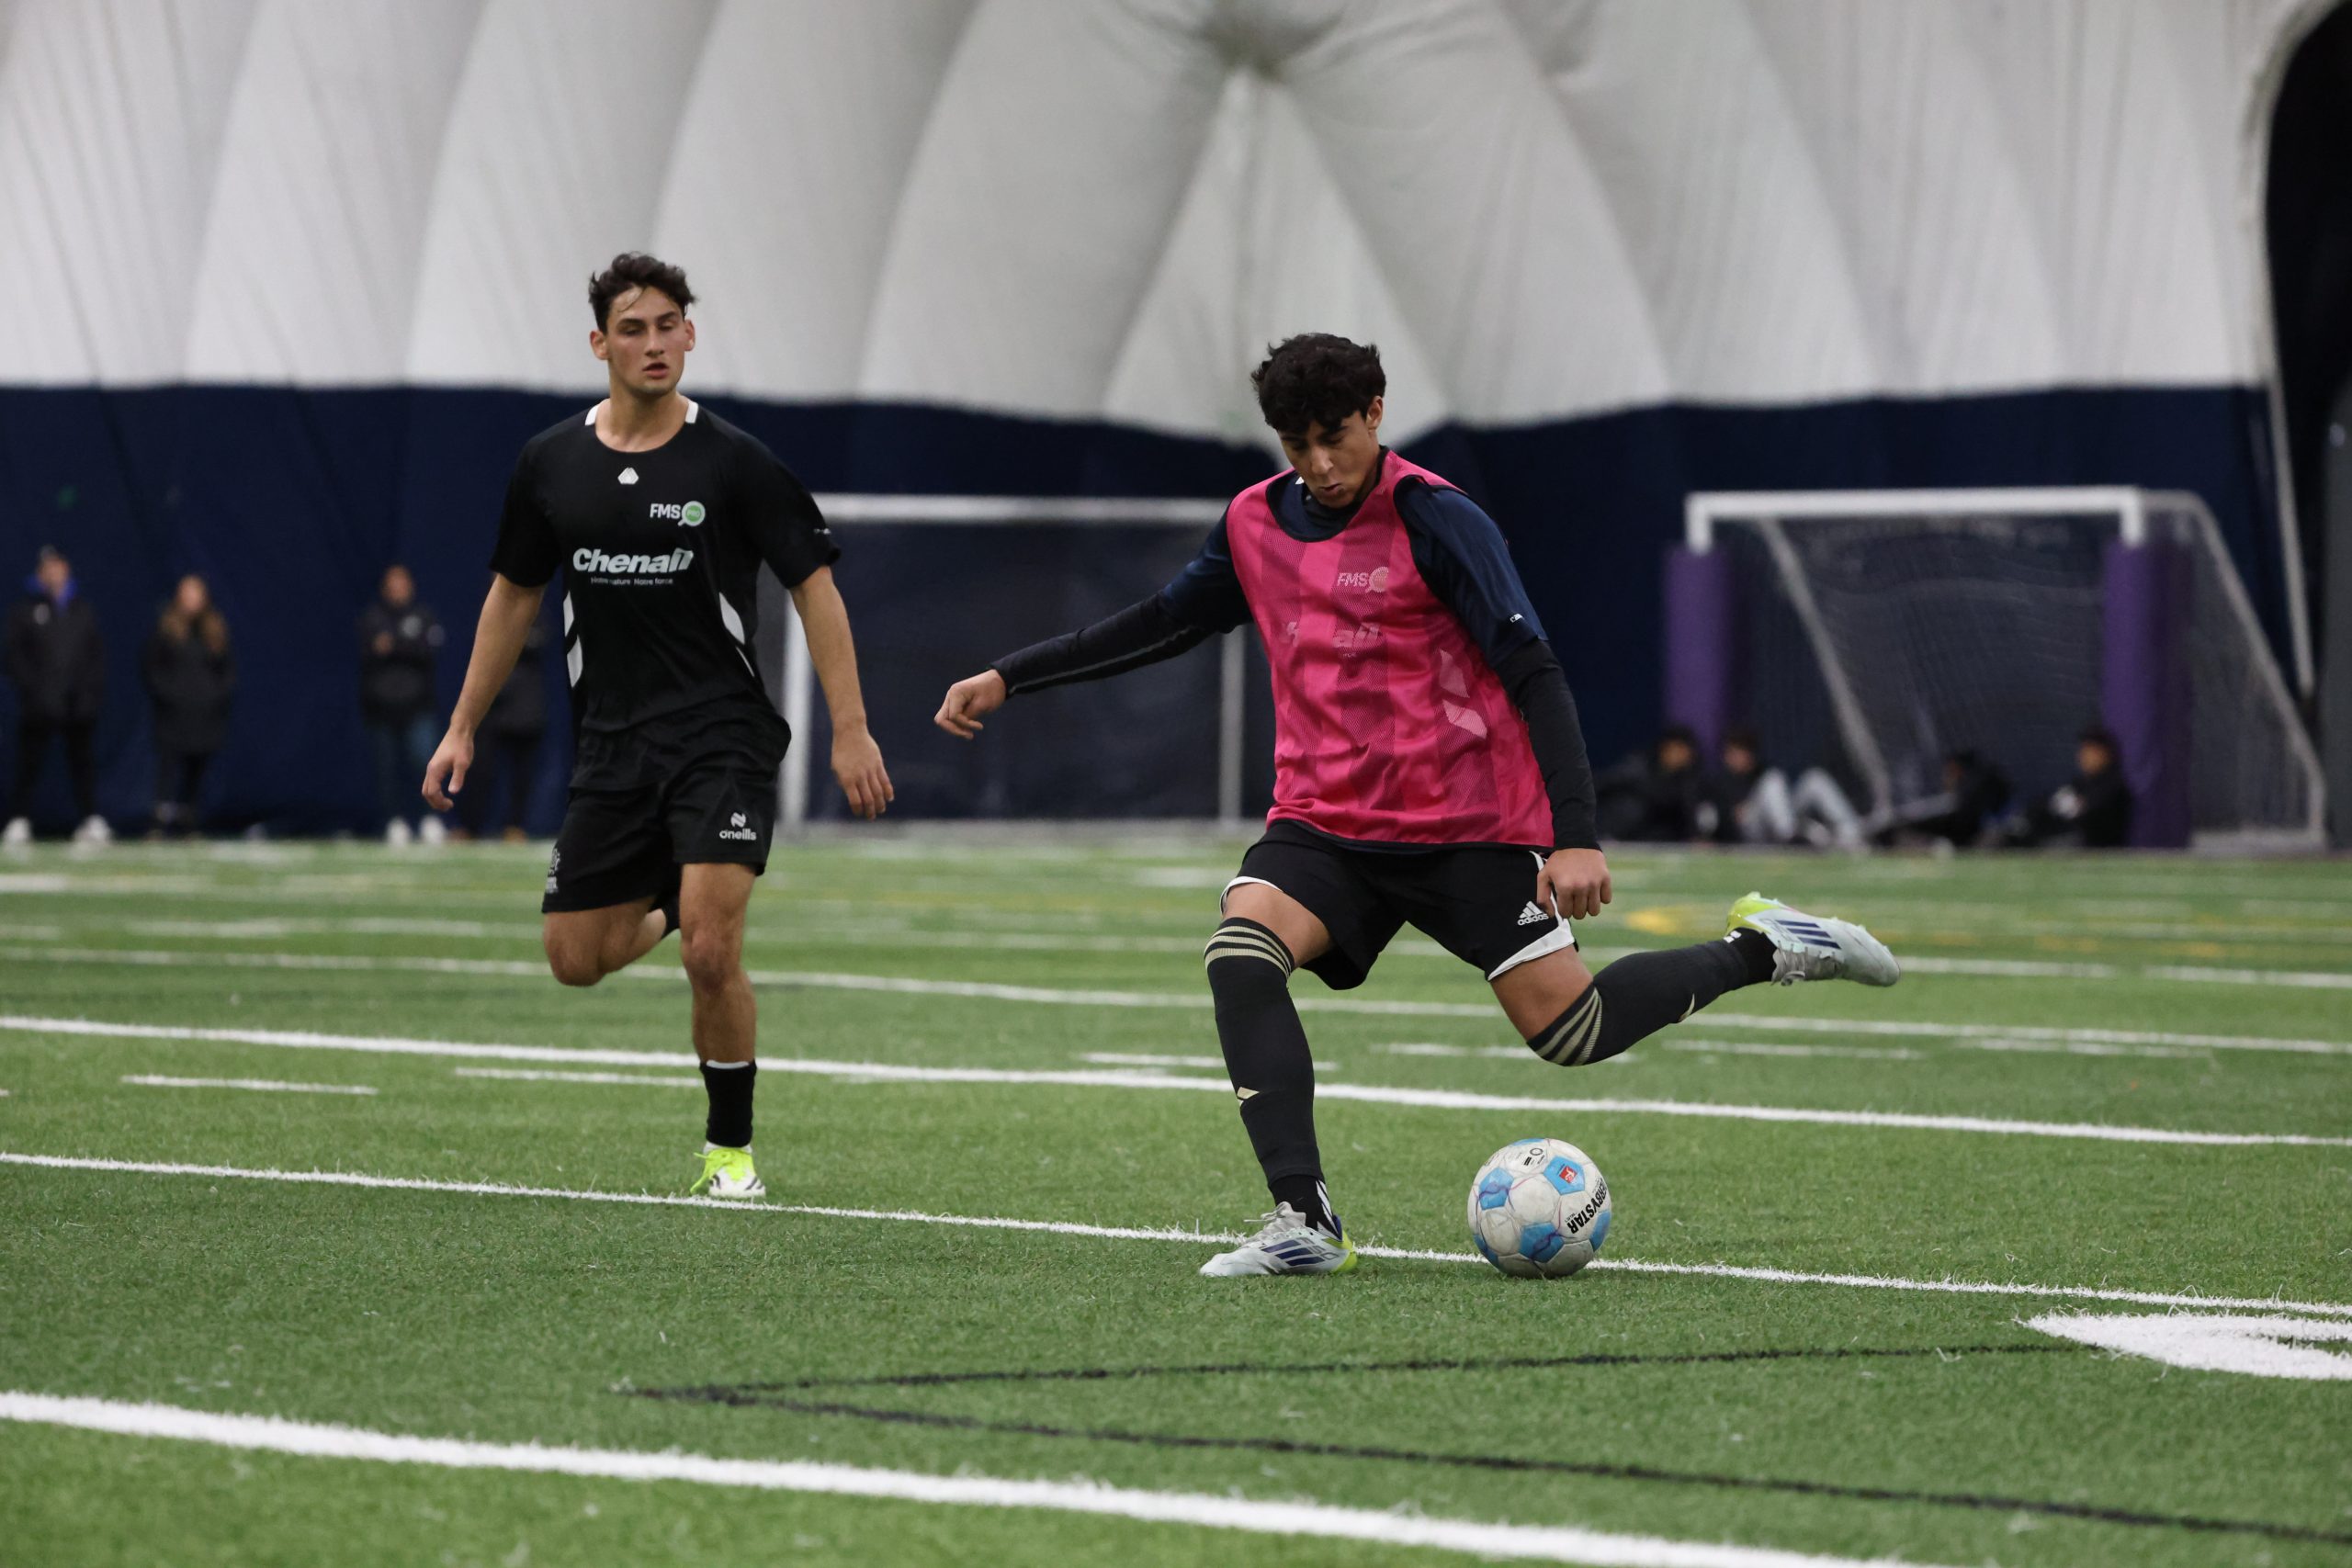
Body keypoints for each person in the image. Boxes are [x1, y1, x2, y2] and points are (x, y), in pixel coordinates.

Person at [934, 333, 1900, 1278]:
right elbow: (1162, 622)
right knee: (1240, 952)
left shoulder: (1438, 519)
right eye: (1297, 445)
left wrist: (1575, 836)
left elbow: (1534, 671)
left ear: (1376, 413)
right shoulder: (1253, 523)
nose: (1319, 465)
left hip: (1465, 826)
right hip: (1323, 824)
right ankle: (1304, 1220)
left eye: (1335, 438)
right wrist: (1011, 676)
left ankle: (1764, 946)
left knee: (1572, 1033)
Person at [422, 252, 892, 1201]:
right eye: (632, 329)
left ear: (690, 334)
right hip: (612, 747)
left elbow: (815, 588)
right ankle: (679, 895)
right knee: (574, 960)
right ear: (599, 344)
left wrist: (852, 729)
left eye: (668, 325)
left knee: (711, 953)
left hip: (723, 738)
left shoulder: (733, 460)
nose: (653, 343)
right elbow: (512, 597)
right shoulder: (550, 463)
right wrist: (461, 725)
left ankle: (730, 1154)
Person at [4, 546, 107, 847]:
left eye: (58, 566)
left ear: (67, 569)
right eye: (47, 568)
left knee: (83, 764)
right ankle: (19, 819)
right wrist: (34, 690)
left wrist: (88, 694)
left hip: (78, 704)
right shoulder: (25, 610)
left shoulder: (82, 610)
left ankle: (90, 819)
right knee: (29, 763)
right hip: (40, 704)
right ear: (39, 574)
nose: (53, 573)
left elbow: (95, 657)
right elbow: (14, 656)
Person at [142, 573, 235, 837]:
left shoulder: (215, 631)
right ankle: (159, 823)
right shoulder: (166, 630)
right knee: (168, 768)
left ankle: (189, 822)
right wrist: (170, 695)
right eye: (186, 594)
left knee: (196, 769)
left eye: (195, 594)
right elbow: (152, 669)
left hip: (204, 715)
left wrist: (213, 696)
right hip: (173, 715)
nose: (191, 600)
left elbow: (227, 672)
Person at [358, 564, 445, 845]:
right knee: (387, 770)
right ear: (385, 588)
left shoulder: (423, 615)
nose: (398, 589)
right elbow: (368, 655)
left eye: (402, 583)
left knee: (424, 763)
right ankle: (394, 820)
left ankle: (429, 818)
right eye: (393, 584)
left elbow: (427, 649)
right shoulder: (373, 618)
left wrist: (394, 645)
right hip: (382, 709)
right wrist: (405, 645)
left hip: (418, 707)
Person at [456, 612, 548, 842]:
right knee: (479, 770)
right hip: (493, 707)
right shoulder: (491, 612)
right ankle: (470, 827)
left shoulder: (535, 615)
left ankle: (515, 826)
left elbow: (534, 643)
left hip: (525, 709)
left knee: (522, 774)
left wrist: (507, 637)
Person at [1705, 726, 1862, 849]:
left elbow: (1777, 800)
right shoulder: (1721, 780)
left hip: (1778, 822)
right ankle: (1790, 835)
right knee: (1771, 783)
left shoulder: (1762, 772)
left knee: (1815, 778)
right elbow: (1718, 818)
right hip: (1750, 832)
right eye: (1733, 753)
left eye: (1742, 752)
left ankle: (1852, 834)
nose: (1737, 757)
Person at [2008, 725, 2132, 849]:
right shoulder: (2080, 783)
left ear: (2105, 753)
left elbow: (2092, 817)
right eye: (2083, 750)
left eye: (2092, 751)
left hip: (2098, 848)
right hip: (2069, 842)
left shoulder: (2114, 785)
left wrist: (2072, 808)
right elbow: (2050, 804)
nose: (2084, 756)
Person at [1874, 749, 2012, 849]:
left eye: (1950, 770)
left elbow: (1966, 817)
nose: (1946, 775)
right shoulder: (1979, 781)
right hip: (1971, 828)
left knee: (1901, 827)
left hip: (1973, 831)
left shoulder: (1974, 785)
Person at [1594, 724, 1709, 842]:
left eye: (1685, 751)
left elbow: (1688, 813)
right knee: (1632, 806)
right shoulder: (1637, 768)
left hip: (1655, 837)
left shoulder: (1688, 780)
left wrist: (1696, 837)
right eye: (1677, 749)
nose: (1681, 756)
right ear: (1664, 749)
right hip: (1618, 828)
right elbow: (1601, 784)